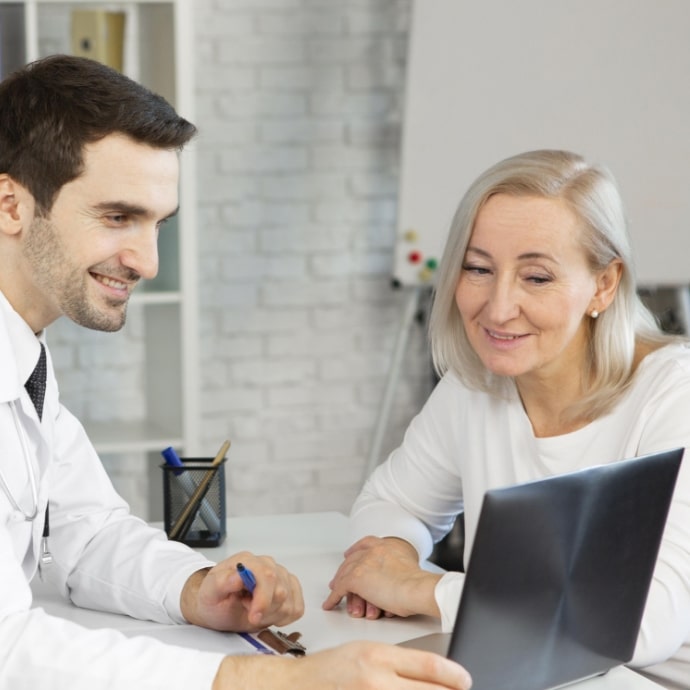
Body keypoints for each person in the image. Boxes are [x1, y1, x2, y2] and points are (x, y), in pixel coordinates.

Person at [0, 55, 472, 690]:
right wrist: (271, 681)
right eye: (118, 217)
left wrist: (196, 589)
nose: (148, 261)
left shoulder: (24, 358)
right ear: (11, 206)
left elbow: (85, 535)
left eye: (156, 223)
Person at [323, 149, 690, 690]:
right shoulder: (477, 383)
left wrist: (423, 590)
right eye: (478, 269)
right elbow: (392, 503)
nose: (497, 309)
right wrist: (392, 555)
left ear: (604, 285)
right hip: (520, 673)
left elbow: (641, 622)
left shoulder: (674, 396)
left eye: (536, 277)